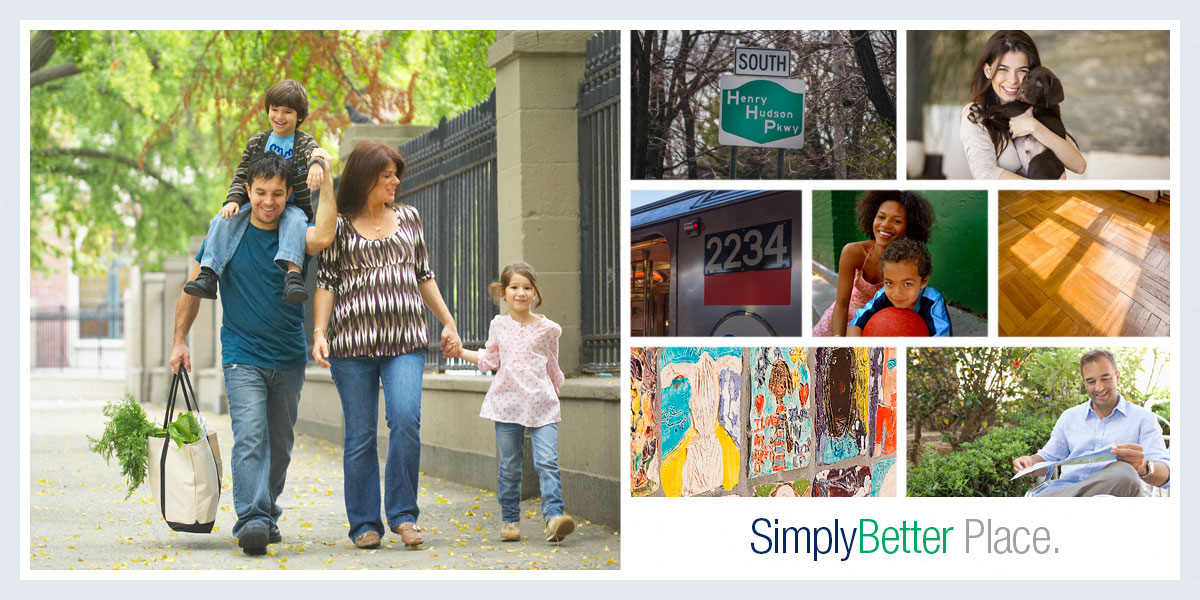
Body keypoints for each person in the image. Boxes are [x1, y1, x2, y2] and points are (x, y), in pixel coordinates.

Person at [169, 150, 336, 555]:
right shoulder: (227, 229)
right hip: (242, 354)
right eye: (260, 192)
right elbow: (192, 289)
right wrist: (179, 341)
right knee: (250, 437)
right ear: (248, 190)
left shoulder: (297, 231)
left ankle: (267, 512)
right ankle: (251, 520)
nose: (268, 201)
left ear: (287, 193)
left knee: (280, 444)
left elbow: (327, 234)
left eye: (277, 194)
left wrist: (327, 177)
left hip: (289, 355)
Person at [311, 142, 461, 550]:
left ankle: (403, 515)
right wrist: (320, 332)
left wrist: (448, 322)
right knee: (360, 435)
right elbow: (326, 282)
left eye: (396, 174)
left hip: (405, 342)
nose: (395, 181)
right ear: (365, 177)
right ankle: (363, 523)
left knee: (405, 420)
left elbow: (424, 275)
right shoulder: (338, 225)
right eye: (387, 175)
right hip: (351, 345)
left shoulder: (409, 218)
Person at [452, 262, 575, 544]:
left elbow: (553, 365)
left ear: (535, 294)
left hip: (542, 403)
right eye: (514, 287)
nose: (521, 292)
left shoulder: (549, 329)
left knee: (547, 462)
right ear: (503, 293)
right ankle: (510, 520)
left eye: (527, 287)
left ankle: (554, 518)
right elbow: (489, 360)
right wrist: (460, 351)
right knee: (510, 466)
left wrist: (556, 388)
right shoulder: (499, 325)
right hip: (507, 404)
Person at [184, 80, 328, 303]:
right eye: (274, 110)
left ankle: (293, 275)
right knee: (222, 219)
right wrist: (233, 199)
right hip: (257, 203)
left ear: (299, 116)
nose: (279, 116)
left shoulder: (303, 142)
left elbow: (316, 153)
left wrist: (317, 165)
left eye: (287, 112)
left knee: (295, 222)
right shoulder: (258, 142)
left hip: (290, 205)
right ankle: (209, 273)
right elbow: (242, 173)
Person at [1013, 349, 1170, 497]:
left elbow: (1167, 476)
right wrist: (1030, 463)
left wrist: (1144, 466)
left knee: (1125, 473)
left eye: (1105, 378)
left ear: (1117, 377)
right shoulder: (1069, 417)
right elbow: (1047, 459)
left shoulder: (1144, 419)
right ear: (1084, 383)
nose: (1099, 387)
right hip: (1067, 490)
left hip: (1113, 494)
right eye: (1091, 381)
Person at [960, 30, 1086, 180]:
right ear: (988, 71)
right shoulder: (975, 113)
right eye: (1003, 69)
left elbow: (1079, 165)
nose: (1013, 80)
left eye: (1022, 71)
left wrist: (1034, 127)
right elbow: (985, 175)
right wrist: (1043, 189)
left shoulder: (1039, 110)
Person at [813, 191, 935, 337]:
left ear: (908, 228)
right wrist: (837, 338)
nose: (885, 225)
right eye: (881, 217)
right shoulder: (853, 251)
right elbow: (842, 304)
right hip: (843, 321)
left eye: (896, 221)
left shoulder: (911, 263)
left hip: (879, 325)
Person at [847, 238, 952, 337]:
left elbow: (943, 339)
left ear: (923, 281)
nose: (897, 293)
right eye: (889, 283)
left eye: (907, 284)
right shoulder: (882, 295)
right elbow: (855, 324)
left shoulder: (933, 300)